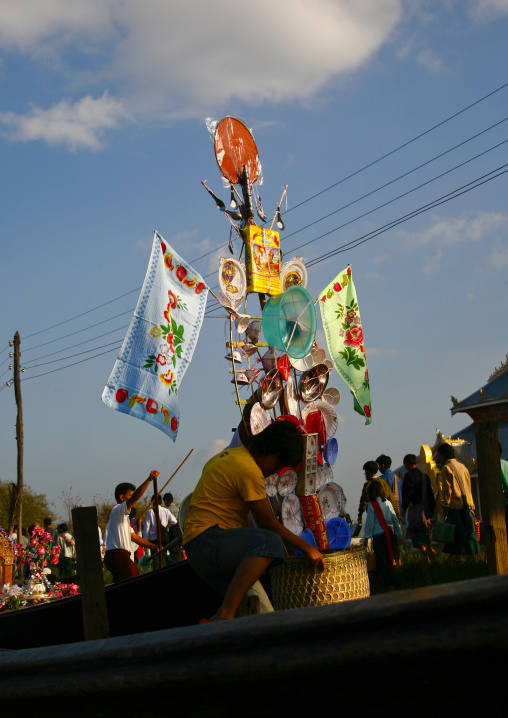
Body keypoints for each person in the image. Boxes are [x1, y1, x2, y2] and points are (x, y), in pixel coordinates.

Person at [183, 421, 325, 621]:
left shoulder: (229, 457)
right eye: (278, 464)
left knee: (264, 615)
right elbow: (267, 523)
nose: (275, 472)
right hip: (208, 542)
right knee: (269, 541)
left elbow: (244, 525)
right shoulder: (248, 469)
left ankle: (226, 624)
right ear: (268, 449)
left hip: (202, 547)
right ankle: (225, 613)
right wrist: (306, 547)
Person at [104, 471, 160, 582]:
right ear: (121, 497)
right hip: (118, 555)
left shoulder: (123, 518)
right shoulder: (118, 511)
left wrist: (152, 546)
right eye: (128, 496)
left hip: (119, 556)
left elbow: (134, 537)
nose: (131, 500)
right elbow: (135, 497)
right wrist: (149, 479)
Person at [435, 443, 478, 560]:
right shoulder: (463, 467)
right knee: (463, 531)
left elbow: (446, 490)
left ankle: (470, 557)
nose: (438, 457)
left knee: (459, 532)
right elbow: (468, 488)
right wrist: (471, 505)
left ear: (444, 455)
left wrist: (445, 505)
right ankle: (454, 557)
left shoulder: (446, 468)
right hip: (466, 505)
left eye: (439, 454)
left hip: (454, 506)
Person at [364, 480, 402, 590]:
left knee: (382, 563)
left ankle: (389, 585)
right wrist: (399, 535)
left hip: (379, 537)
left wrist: (366, 537)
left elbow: (370, 523)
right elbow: (395, 519)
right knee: (391, 560)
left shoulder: (372, 504)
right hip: (390, 535)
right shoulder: (387, 502)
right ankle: (389, 584)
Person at [401, 454, 436, 560]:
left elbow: (407, 494)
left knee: (417, 534)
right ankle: (430, 547)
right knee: (425, 531)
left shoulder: (408, 476)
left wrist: (404, 508)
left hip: (415, 510)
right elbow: (430, 493)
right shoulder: (424, 475)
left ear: (407, 464)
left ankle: (426, 556)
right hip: (426, 510)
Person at [356, 461, 394, 531]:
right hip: (386, 515)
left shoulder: (367, 485)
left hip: (374, 516)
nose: (365, 474)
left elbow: (364, 502)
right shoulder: (384, 483)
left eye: (365, 472)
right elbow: (391, 498)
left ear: (368, 471)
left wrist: (360, 514)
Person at [376, 454, 403, 522]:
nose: (378, 468)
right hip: (400, 514)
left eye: (379, 466)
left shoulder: (380, 480)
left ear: (383, 465)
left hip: (386, 516)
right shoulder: (398, 479)